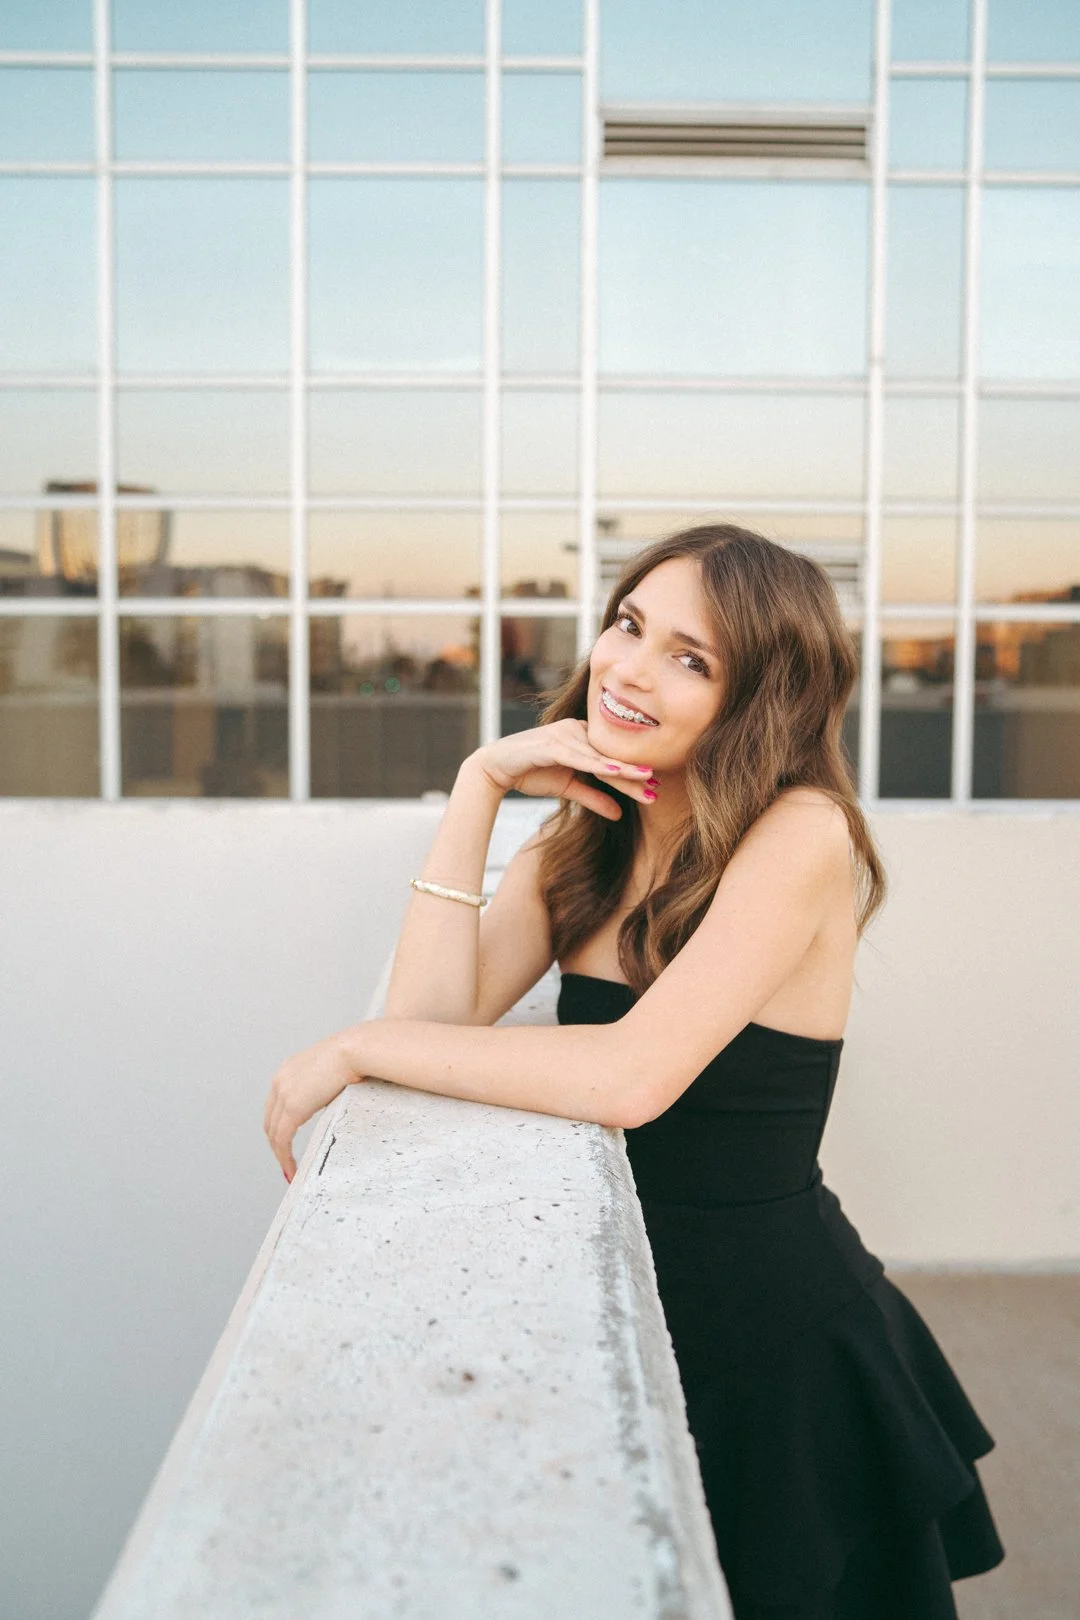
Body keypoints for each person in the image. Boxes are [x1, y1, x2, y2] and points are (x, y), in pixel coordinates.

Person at [264, 523, 1006, 1619]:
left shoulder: (803, 833)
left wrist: (350, 1045)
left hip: (774, 1341)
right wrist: (478, 790)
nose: (631, 669)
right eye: (629, 626)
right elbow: (436, 1023)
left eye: (691, 658)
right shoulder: (586, 839)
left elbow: (629, 1078)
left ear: (758, 698)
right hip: (632, 1307)